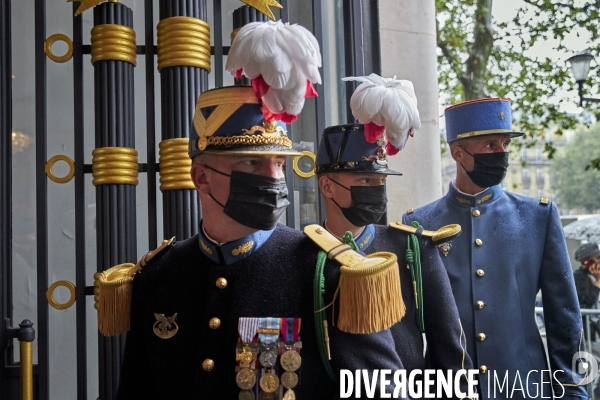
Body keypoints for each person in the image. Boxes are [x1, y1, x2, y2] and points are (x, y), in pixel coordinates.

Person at [403, 98, 588, 399]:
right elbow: (408, 326)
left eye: (505, 145)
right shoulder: (419, 224)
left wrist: (572, 392)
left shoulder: (537, 217)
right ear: (457, 153)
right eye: (490, 145)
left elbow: (564, 316)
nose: (501, 153)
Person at [312, 74, 475, 399]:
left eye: (379, 182)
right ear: (327, 186)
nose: (375, 189)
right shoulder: (303, 252)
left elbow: (450, 351)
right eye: (364, 181)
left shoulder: (413, 247)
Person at [574, 242, 600, 400]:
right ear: (587, 262)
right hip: (588, 335)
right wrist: (597, 282)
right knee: (590, 372)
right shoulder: (579, 278)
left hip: (596, 333)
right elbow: (586, 302)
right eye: (598, 258)